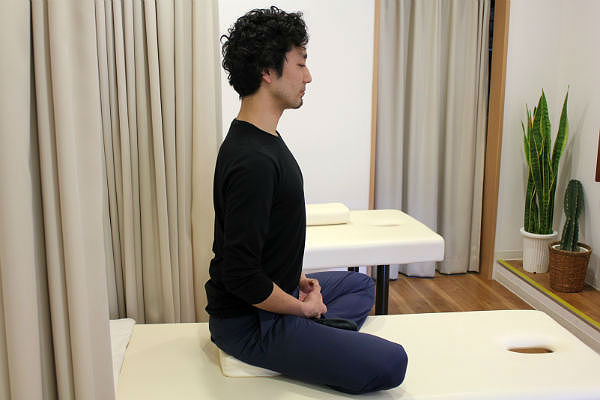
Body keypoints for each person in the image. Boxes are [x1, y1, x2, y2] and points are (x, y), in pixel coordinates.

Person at [205, 6, 407, 394]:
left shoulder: (260, 138)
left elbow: (263, 241)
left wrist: (298, 280)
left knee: (359, 286)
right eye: (300, 64)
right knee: (392, 362)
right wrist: (301, 306)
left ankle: (312, 331)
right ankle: (307, 328)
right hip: (249, 323)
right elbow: (240, 275)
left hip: (271, 298)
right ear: (267, 71)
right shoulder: (252, 161)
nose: (308, 76)